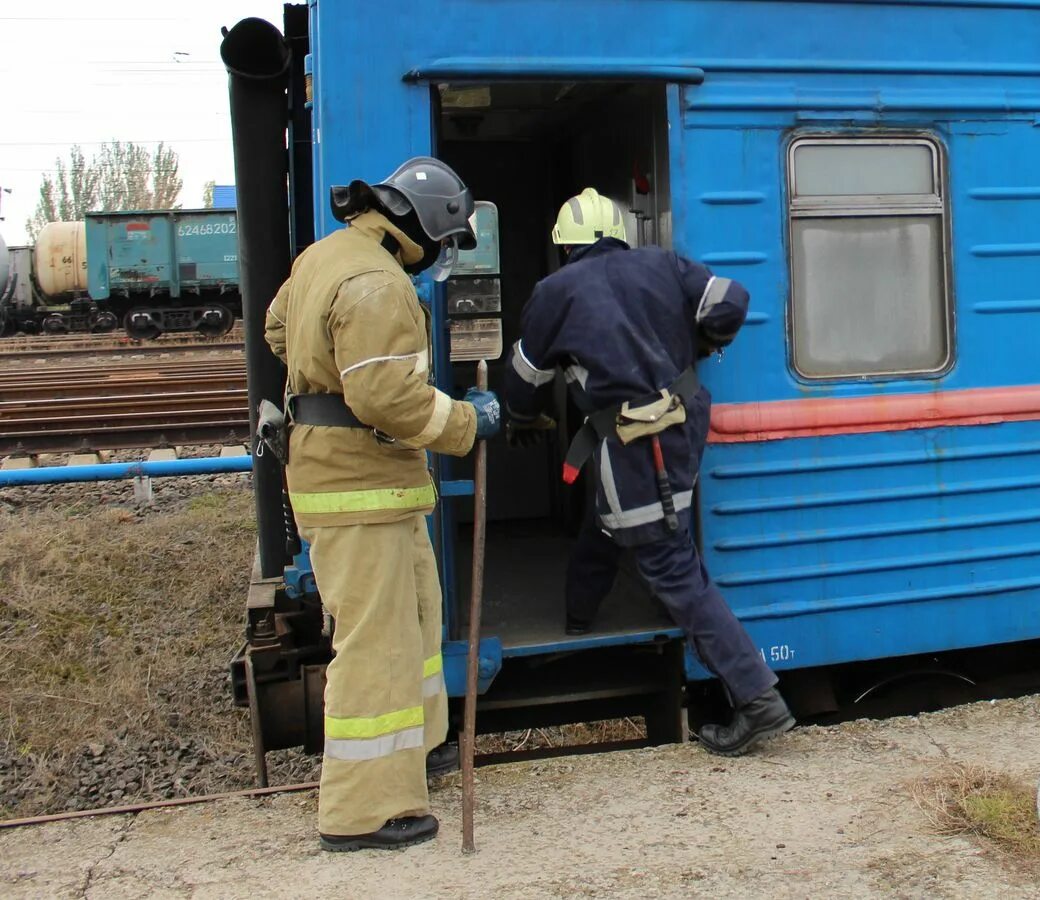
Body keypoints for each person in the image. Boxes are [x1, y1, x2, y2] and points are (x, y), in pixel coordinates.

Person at [504, 187, 793, 756]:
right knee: (616, 518)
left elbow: (523, 384)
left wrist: (519, 416)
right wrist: (704, 342)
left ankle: (759, 700)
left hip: (636, 443)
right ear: (618, 233)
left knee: (667, 560)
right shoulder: (663, 262)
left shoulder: (553, 292)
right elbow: (729, 299)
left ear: (566, 246)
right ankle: (579, 616)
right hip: (682, 428)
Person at [264, 157, 500, 852]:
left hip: (365, 486)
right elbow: (384, 398)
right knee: (375, 647)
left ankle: (414, 755)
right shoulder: (377, 283)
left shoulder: (323, 258)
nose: (438, 259)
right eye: (443, 242)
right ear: (421, 229)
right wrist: (466, 422)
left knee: (415, 626)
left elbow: (280, 330)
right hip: (357, 486)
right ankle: (362, 810)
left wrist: (320, 370)